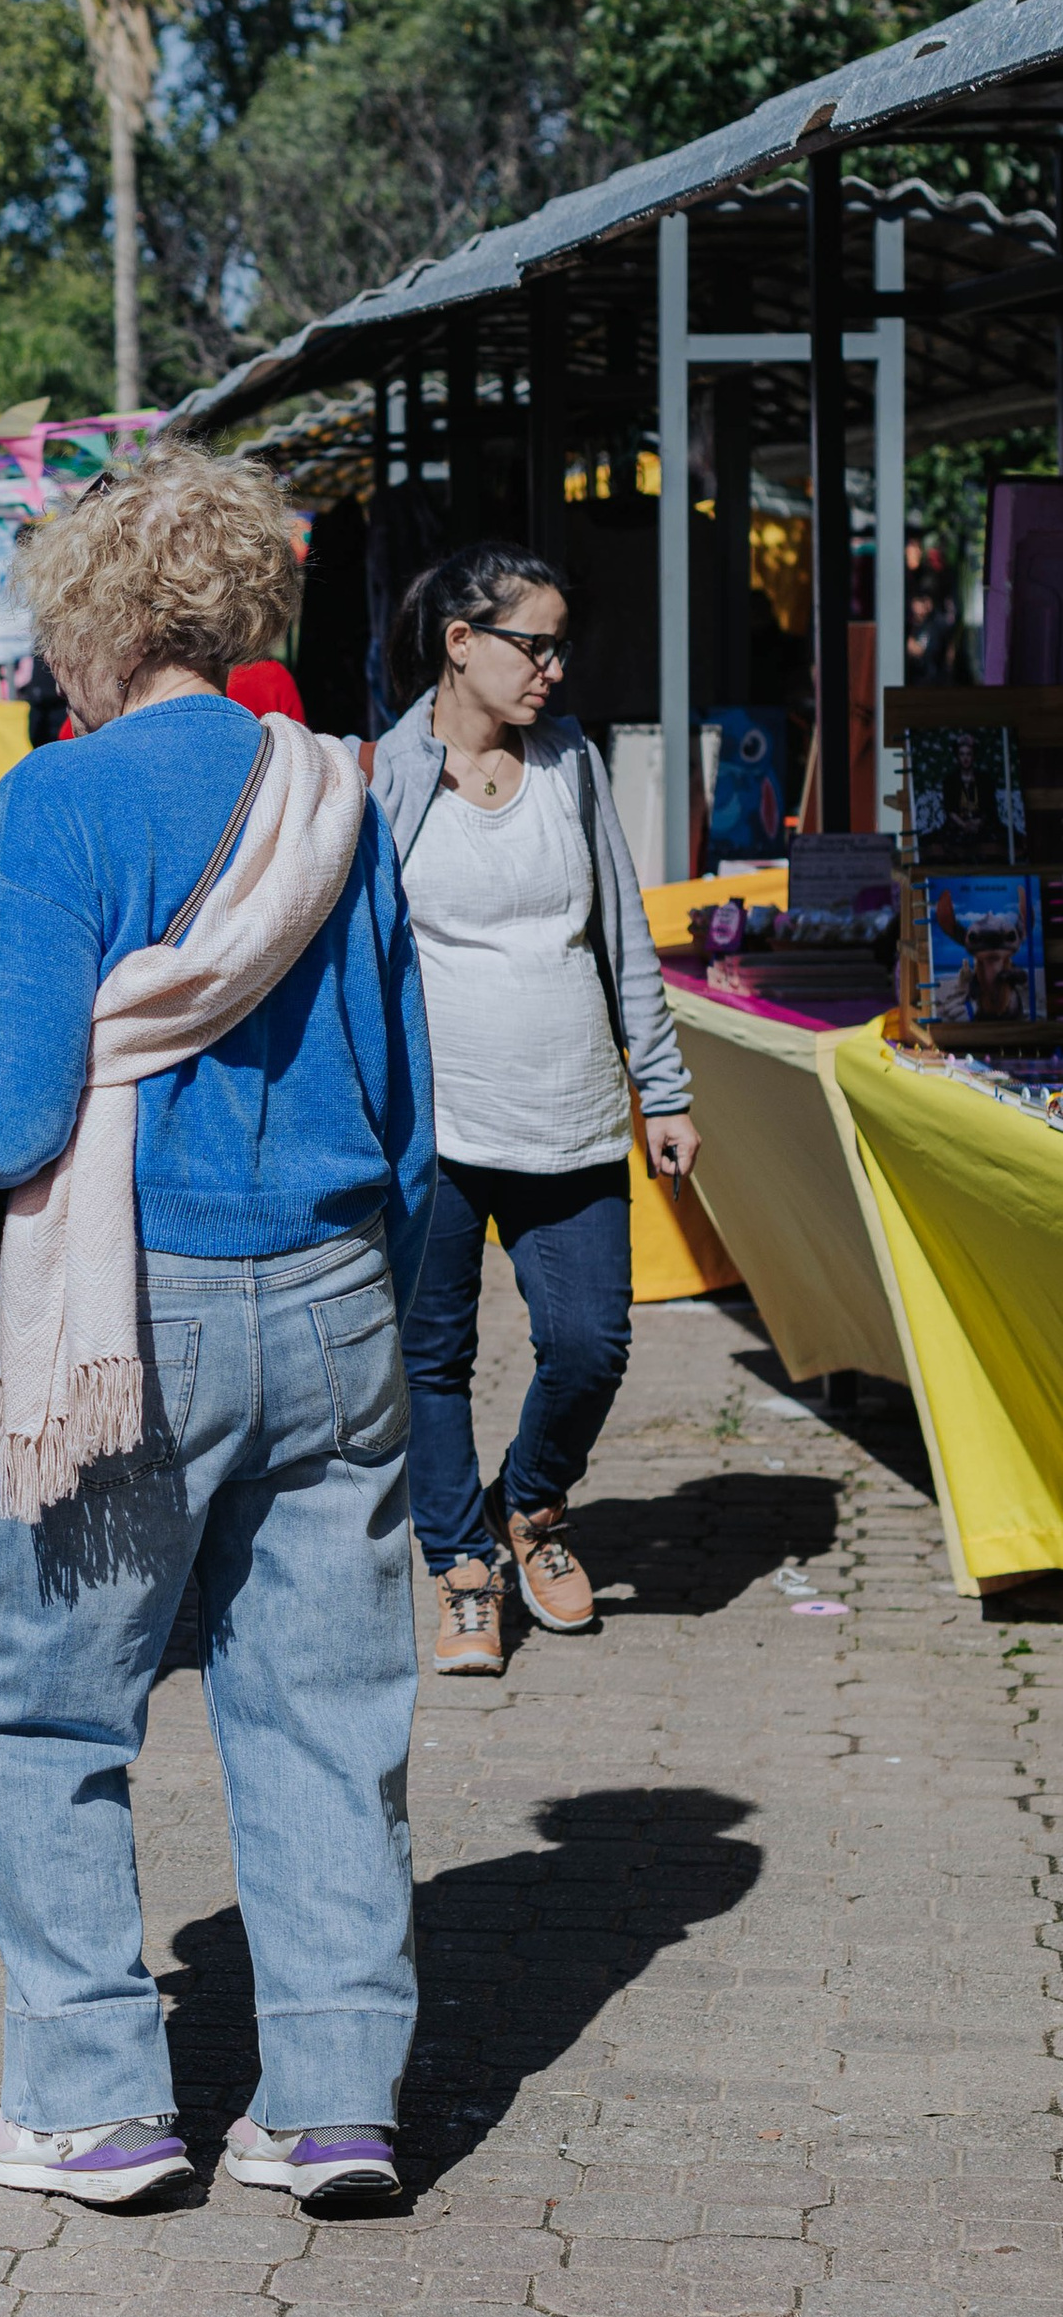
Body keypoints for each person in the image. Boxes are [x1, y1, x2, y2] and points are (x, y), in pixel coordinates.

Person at [0, 443, 435, 2215]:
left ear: (103, 616)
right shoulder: (342, 790)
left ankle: (96, 2096)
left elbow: (8, 1113)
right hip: (342, 1291)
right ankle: (333, 2101)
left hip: (132, 1316)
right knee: (323, 1713)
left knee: (42, 1704)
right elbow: (412, 1097)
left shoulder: (61, 804)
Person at [367, 544, 698, 1681]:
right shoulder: (387, 774)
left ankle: (533, 1501)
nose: (553, 670)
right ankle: (463, 1564)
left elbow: (624, 935)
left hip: (570, 1113)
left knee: (589, 1340)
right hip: (437, 1127)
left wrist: (662, 1086)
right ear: (461, 642)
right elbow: (357, 955)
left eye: (561, 647)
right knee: (431, 1353)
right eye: (533, 645)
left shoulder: (571, 764)